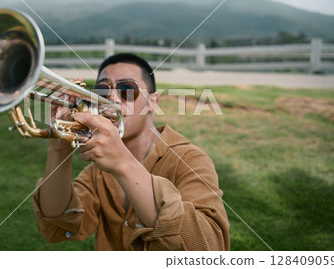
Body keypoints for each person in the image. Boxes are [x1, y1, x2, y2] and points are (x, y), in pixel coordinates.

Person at [32, 53, 230, 250]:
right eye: (102, 90)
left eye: (127, 89)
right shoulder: (96, 171)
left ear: (152, 101)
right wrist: (58, 148)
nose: (111, 97)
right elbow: (57, 225)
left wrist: (123, 165)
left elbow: (210, 248)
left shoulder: (189, 159)